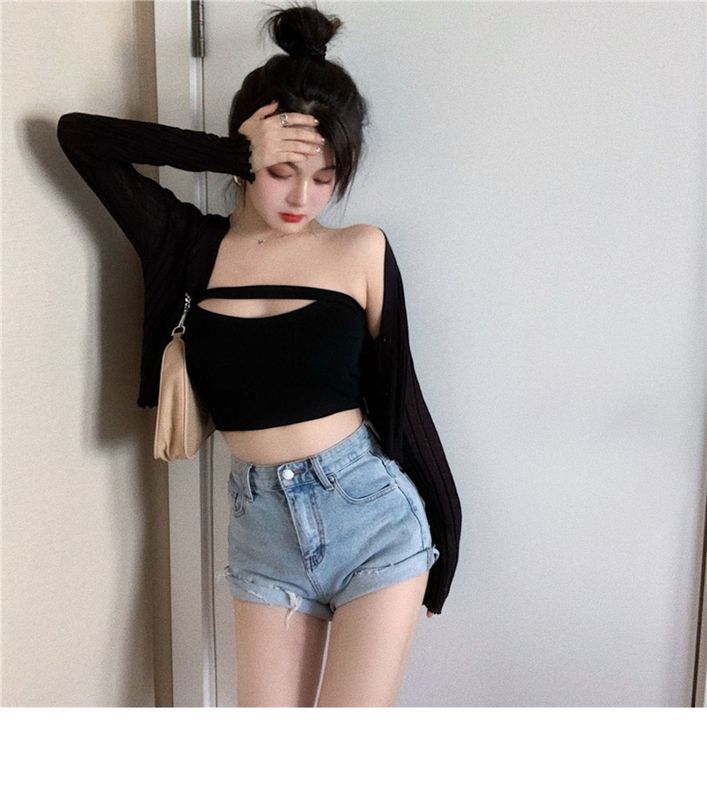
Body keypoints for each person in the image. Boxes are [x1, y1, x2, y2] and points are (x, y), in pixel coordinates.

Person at [56, 0, 461, 707]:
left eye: (325, 176)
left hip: (371, 516)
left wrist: (448, 538)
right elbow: (79, 137)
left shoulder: (359, 249)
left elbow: (403, 401)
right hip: (262, 529)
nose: (303, 195)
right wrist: (226, 151)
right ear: (248, 156)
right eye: (280, 170)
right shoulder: (188, 244)